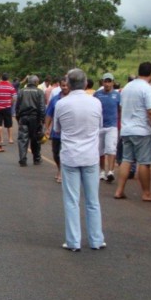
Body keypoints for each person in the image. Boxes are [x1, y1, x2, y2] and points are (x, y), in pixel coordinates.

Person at [54, 68, 105, 252]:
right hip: (90, 156)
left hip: (70, 155)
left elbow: (57, 129)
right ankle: (96, 239)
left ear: (68, 83)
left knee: (71, 200)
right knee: (93, 200)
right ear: (85, 83)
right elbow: (99, 126)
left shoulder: (62, 104)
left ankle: (74, 241)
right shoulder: (96, 103)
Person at [113, 62, 151, 202]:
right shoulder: (147, 89)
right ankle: (146, 193)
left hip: (126, 129)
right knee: (144, 162)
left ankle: (119, 190)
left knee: (127, 160)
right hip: (142, 130)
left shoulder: (128, 87)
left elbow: (121, 107)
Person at [93, 73, 121, 182]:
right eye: (106, 81)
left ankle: (111, 171)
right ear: (102, 82)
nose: (107, 84)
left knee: (111, 149)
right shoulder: (97, 94)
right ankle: (102, 171)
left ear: (113, 82)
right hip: (99, 126)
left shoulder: (117, 95)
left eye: (109, 81)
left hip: (112, 126)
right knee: (100, 150)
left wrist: (121, 123)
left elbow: (120, 109)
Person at [15, 75, 46, 166]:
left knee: (22, 139)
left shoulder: (21, 91)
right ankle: (36, 158)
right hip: (35, 118)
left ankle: (22, 159)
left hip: (23, 117)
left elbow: (17, 107)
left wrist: (18, 118)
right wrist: (42, 120)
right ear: (36, 82)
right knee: (36, 138)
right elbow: (42, 107)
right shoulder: (39, 92)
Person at [44, 78, 70, 183]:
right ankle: (59, 168)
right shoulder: (55, 99)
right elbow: (49, 114)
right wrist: (47, 128)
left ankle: (62, 172)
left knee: (65, 153)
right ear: (60, 85)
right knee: (56, 153)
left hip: (69, 132)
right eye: (63, 85)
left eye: (67, 86)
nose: (65, 88)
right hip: (56, 132)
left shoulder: (72, 99)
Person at [0, 73, 17, 144]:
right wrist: (10, 103)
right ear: (8, 79)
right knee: (9, 124)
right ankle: (10, 139)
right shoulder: (11, 86)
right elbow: (14, 97)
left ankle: (1, 139)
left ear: (1, 78)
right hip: (7, 107)